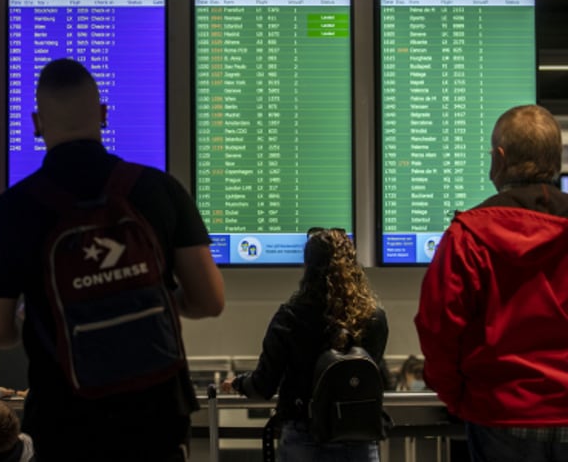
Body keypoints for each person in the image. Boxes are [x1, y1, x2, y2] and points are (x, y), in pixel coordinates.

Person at [0, 58, 225, 462]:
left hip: (64, 420)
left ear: (37, 122)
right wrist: (144, 299)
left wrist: (48, 314)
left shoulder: (11, 210)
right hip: (156, 416)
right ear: (104, 114)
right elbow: (209, 300)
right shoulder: (158, 189)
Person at [415, 104, 568, 462]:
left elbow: (438, 329)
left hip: (499, 416)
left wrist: (459, 399)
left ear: (499, 159)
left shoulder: (468, 235)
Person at [222, 227, 388, 462]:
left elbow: (263, 385)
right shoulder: (373, 318)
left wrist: (238, 383)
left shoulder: (291, 317)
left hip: (304, 437)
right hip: (358, 438)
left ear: (308, 266)